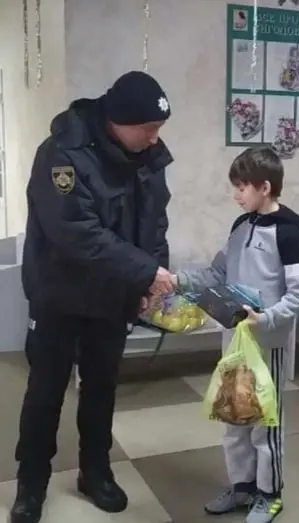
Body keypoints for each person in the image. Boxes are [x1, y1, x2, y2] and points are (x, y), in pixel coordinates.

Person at [10, 71, 175, 523]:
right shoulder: (62, 154)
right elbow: (76, 232)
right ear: (118, 121)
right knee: (46, 391)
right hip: (59, 295)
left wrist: (148, 282)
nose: (154, 137)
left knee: (101, 388)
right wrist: (145, 271)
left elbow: (155, 224)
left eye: (159, 128)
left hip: (110, 296)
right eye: (148, 128)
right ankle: (31, 483)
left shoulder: (147, 156)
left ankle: (95, 471)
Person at [174, 146, 299, 523]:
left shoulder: (289, 233)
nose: (235, 195)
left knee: (265, 425)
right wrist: (176, 281)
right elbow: (217, 273)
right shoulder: (240, 226)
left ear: (264, 187)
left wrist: (265, 319)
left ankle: (270, 495)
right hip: (235, 342)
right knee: (235, 419)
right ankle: (243, 488)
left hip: (268, 345)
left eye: (241, 187)